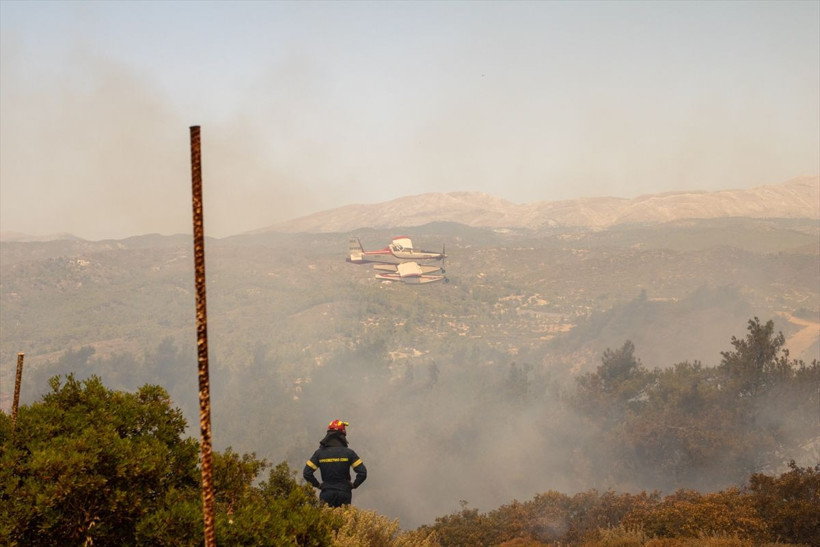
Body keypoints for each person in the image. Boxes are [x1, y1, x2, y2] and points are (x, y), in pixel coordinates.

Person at [303, 419, 367, 507]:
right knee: (344, 516)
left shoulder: (319, 453)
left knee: (326, 516)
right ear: (343, 434)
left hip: (326, 493)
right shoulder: (349, 453)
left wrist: (318, 485)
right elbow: (363, 473)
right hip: (344, 493)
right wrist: (354, 485)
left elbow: (307, 473)